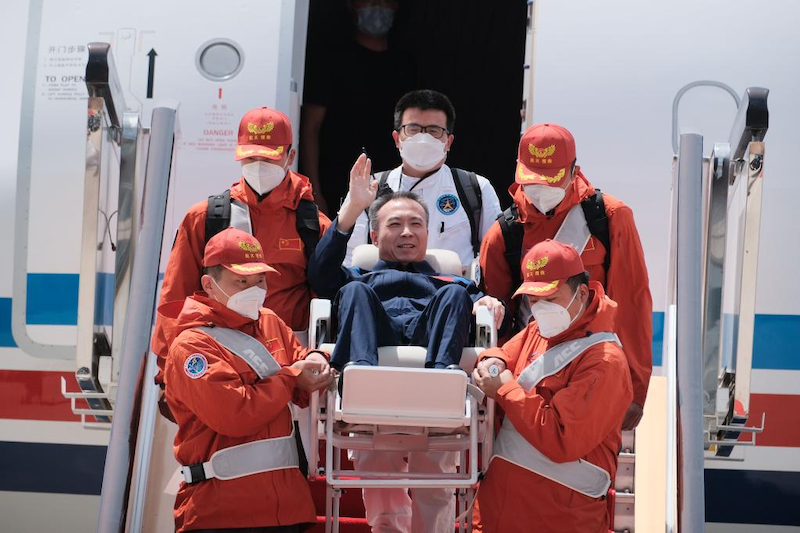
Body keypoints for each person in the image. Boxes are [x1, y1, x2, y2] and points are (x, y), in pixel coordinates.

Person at [307, 157, 504, 533]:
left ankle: (443, 380)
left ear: (429, 234)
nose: (407, 233)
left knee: (455, 297)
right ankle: (360, 376)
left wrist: (490, 302)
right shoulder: (355, 278)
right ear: (373, 235)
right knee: (354, 293)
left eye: (416, 224)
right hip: (370, 372)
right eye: (394, 224)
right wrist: (350, 209)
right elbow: (319, 273)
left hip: (435, 371)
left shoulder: (455, 284)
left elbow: (482, 305)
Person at [479, 123, 651, 430]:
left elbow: (632, 305)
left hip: (592, 373)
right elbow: (497, 319)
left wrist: (636, 390)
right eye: (533, 180)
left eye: (552, 179)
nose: (541, 189)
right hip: (528, 379)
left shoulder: (610, 218)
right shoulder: (502, 234)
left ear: (575, 170)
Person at [161, 227, 333, 532]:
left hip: (287, 509)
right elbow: (235, 414)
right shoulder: (192, 346)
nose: (254, 289)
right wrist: (293, 378)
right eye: (242, 281)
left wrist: (319, 357)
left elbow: (301, 360)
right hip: (222, 512)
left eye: (260, 280)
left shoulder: (268, 321)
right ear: (208, 284)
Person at [152, 106, 331, 395]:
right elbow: (176, 297)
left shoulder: (314, 225)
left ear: (290, 157)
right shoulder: (206, 217)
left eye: (268, 157)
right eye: (251, 156)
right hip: (217, 360)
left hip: (291, 363)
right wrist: (167, 372)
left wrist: (318, 357)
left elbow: (328, 300)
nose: (258, 164)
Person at [472, 239, 632, 533]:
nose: (540, 309)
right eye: (533, 301)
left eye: (551, 298)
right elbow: (503, 353)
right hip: (500, 512)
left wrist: (505, 388)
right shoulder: (539, 329)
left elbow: (563, 438)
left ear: (582, 292)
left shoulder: (605, 362)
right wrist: (491, 361)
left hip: (560, 518)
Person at [341, 89, 502, 271]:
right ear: (397, 139)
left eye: (434, 131)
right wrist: (354, 206)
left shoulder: (475, 188)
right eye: (414, 130)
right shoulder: (369, 188)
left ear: (448, 142)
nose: (423, 139)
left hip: (452, 294)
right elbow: (347, 260)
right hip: (384, 294)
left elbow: (495, 259)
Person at [300, 0, 414, 216]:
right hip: (336, 182)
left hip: (390, 185)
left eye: (384, 1)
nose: (377, 6)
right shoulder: (330, 60)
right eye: (369, 1)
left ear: (397, 5)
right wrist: (314, 192)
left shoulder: (404, 65)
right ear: (351, 5)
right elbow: (310, 128)